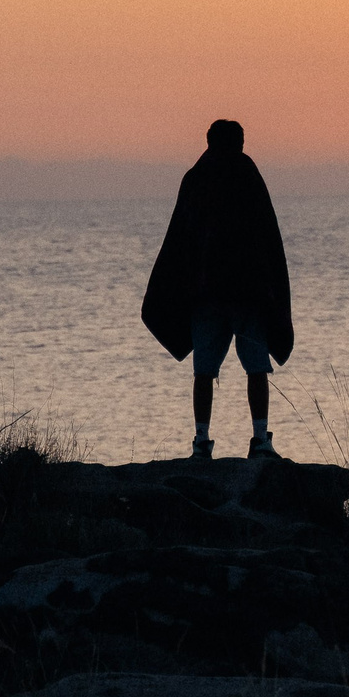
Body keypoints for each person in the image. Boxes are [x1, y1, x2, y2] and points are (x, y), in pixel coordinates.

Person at [141, 119, 293, 459]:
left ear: (209, 142)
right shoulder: (246, 175)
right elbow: (268, 236)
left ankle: (201, 442)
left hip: (205, 292)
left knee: (204, 370)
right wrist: (271, 291)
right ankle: (260, 439)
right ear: (239, 142)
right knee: (255, 366)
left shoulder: (196, 178)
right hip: (246, 293)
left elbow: (180, 238)